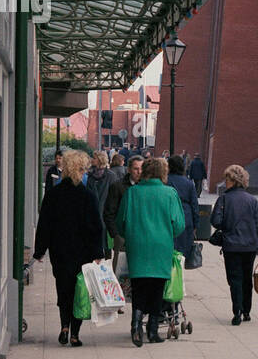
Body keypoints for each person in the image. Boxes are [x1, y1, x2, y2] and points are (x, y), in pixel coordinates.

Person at [33, 149, 105, 347]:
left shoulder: (53, 195)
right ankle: (75, 334)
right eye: (83, 169)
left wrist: (40, 250)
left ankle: (64, 326)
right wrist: (98, 252)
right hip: (83, 251)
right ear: (79, 170)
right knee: (79, 290)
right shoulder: (88, 196)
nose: (85, 172)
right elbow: (96, 227)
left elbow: (44, 224)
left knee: (63, 288)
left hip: (60, 250)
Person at [118, 157, 184, 347]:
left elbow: (120, 222)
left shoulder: (132, 192)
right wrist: (167, 233)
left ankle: (136, 325)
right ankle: (153, 330)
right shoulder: (170, 193)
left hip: (137, 245)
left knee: (138, 286)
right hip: (161, 246)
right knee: (157, 287)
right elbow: (179, 224)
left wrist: (130, 234)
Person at [210, 164, 258, 325]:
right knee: (247, 279)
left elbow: (215, 221)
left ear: (232, 180)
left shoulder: (224, 199)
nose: (225, 182)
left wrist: (227, 224)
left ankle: (236, 311)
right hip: (250, 246)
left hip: (231, 245)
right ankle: (246, 311)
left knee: (234, 279)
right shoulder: (252, 200)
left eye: (226, 179)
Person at [104, 155, 143, 285]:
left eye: (141, 169)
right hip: (122, 237)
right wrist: (115, 235)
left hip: (141, 237)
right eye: (136, 169)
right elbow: (109, 213)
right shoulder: (117, 186)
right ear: (129, 169)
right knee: (120, 275)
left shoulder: (146, 187)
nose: (139, 172)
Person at [167, 154, 200, 263]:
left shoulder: (165, 181)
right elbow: (195, 205)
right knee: (182, 251)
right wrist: (196, 224)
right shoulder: (188, 183)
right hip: (186, 217)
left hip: (169, 216)